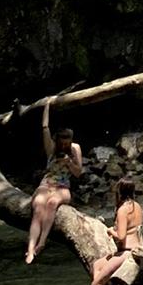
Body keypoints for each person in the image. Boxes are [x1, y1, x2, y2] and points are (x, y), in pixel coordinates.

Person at [24, 100, 81, 264]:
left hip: (63, 187)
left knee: (52, 203)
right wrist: (47, 106)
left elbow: (78, 173)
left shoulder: (75, 148)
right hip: (47, 184)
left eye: (67, 140)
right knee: (38, 206)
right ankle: (30, 249)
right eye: (62, 140)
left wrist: (69, 163)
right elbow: (45, 128)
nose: (65, 143)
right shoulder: (51, 147)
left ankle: (42, 241)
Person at [89, 178, 143, 285]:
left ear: (119, 192)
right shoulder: (137, 206)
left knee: (95, 284)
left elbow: (121, 236)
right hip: (136, 249)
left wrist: (110, 231)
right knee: (97, 265)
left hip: (127, 253)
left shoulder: (123, 210)